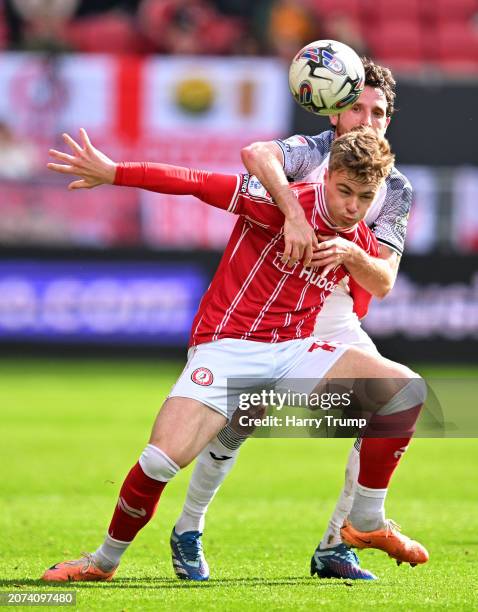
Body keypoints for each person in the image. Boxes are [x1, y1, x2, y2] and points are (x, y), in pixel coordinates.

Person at [42, 126, 428, 583]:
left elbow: (381, 282)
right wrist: (113, 172)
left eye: (365, 198)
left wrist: (350, 249)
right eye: (345, 191)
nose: (352, 207)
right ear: (329, 176)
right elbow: (194, 180)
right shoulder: (278, 202)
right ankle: (103, 561)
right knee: (159, 461)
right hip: (227, 348)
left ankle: (365, 520)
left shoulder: (357, 237)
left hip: (296, 351)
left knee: (404, 390)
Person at [170, 57, 414, 582]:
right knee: (240, 421)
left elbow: (384, 280)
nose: (367, 120)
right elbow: (256, 153)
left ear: (389, 120)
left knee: (389, 402)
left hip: (335, 313)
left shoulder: (395, 189)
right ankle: (189, 527)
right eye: (356, 108)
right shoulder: (310, 153)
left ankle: (338, 543)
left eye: (379, 112)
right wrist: (295, 213)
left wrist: (349, 254)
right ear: (333, 111)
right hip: (269, 306)